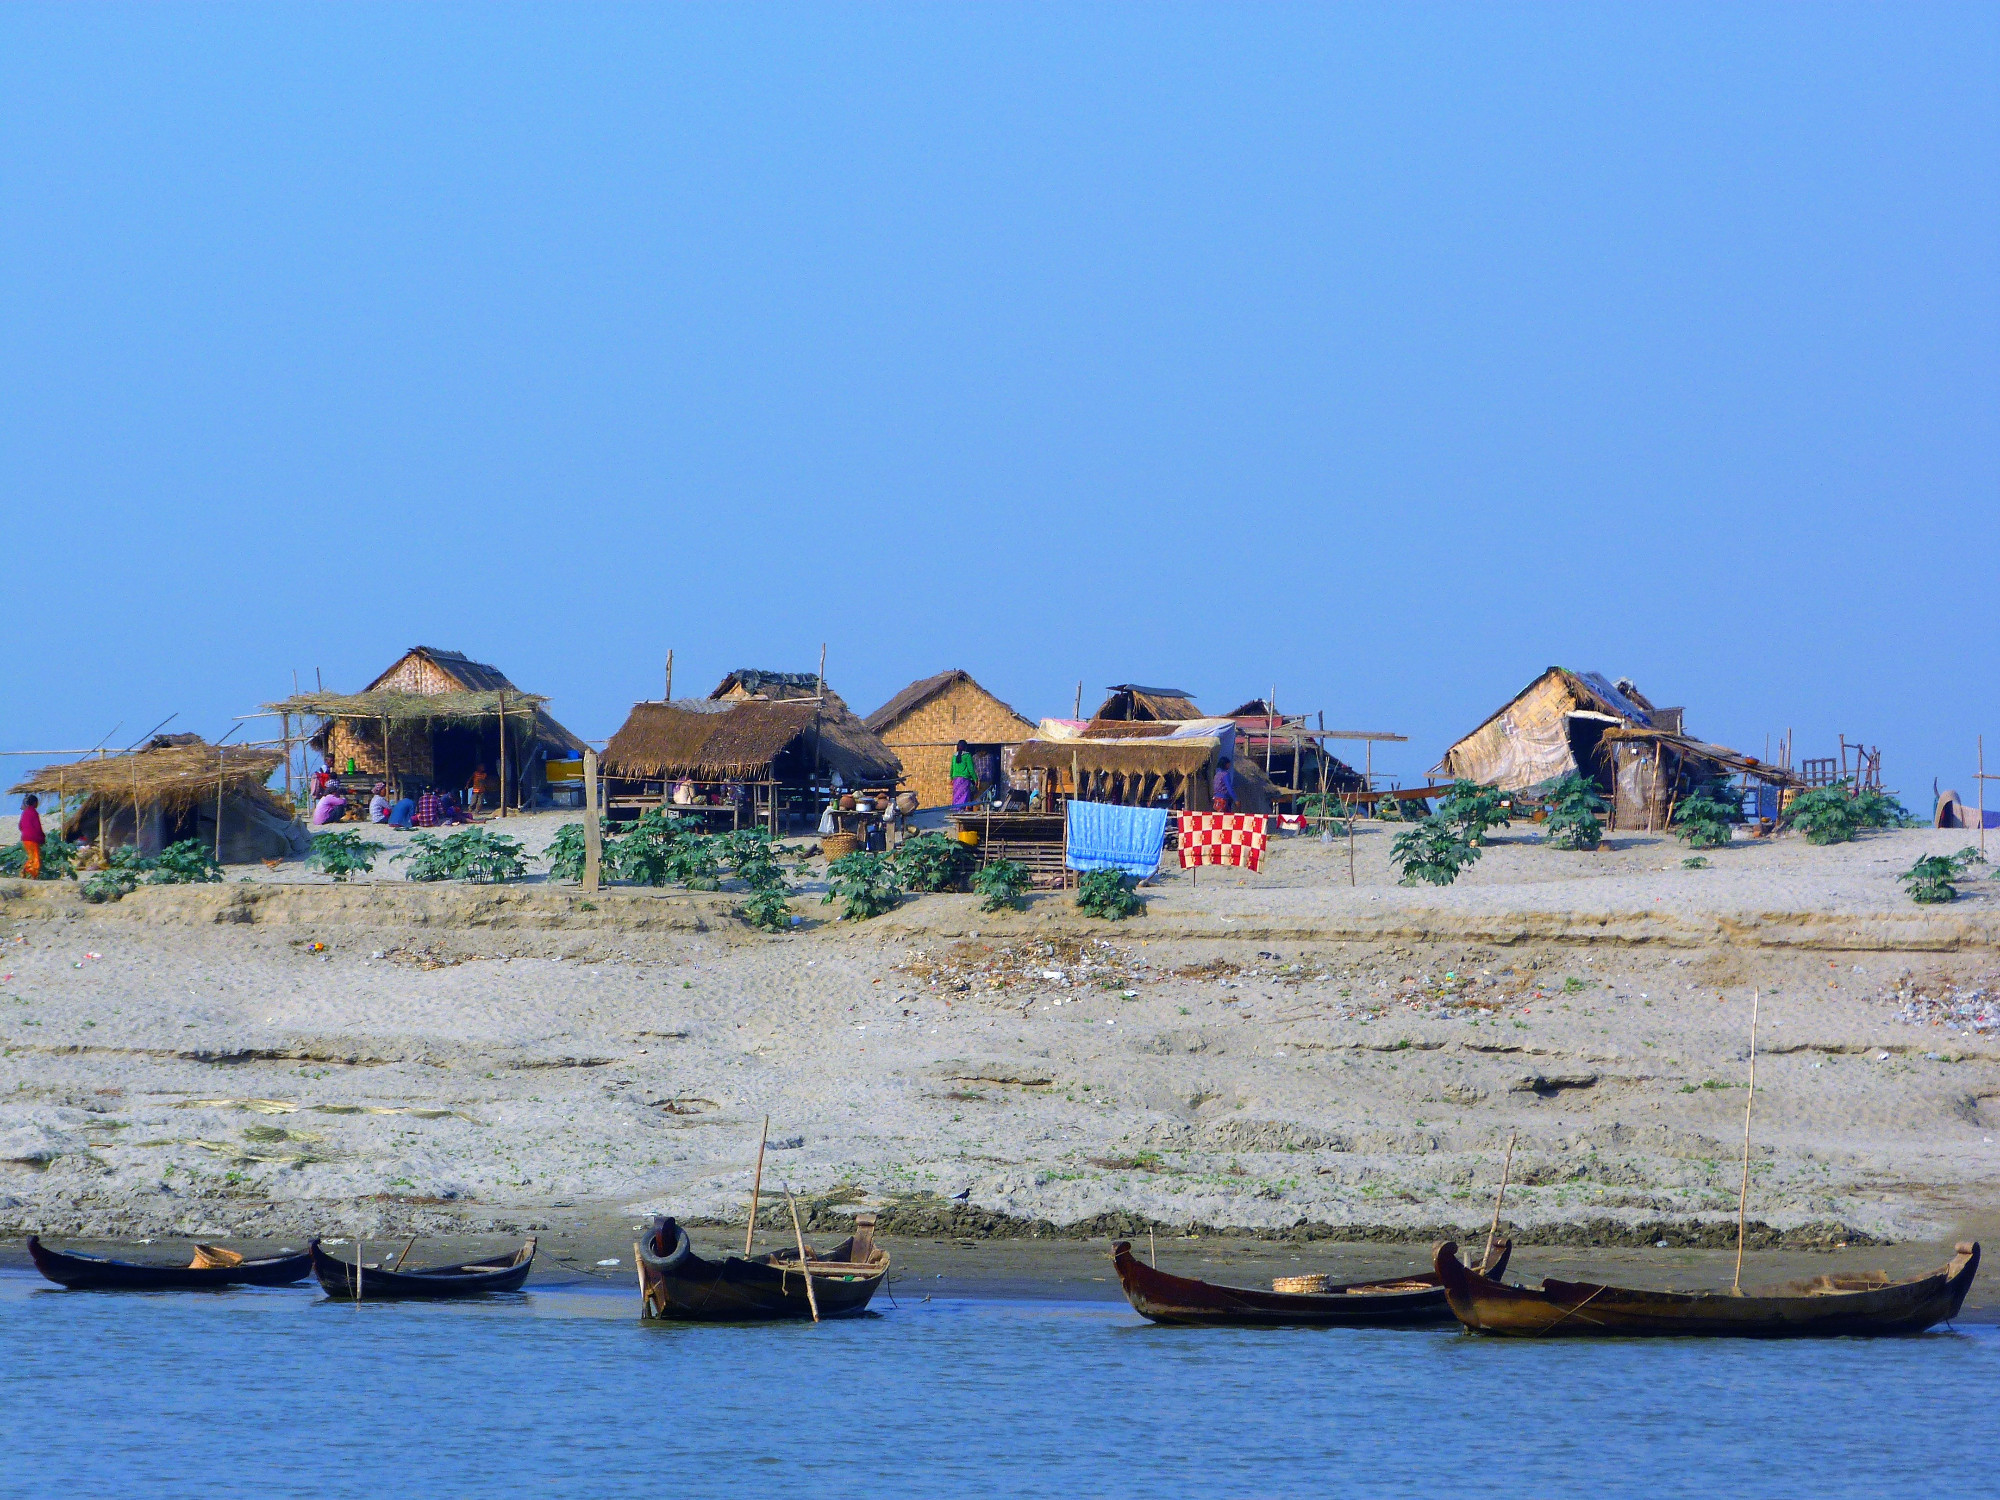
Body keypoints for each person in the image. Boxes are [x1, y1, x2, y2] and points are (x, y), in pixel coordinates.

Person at [16, 794, 44, 880]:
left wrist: (25, 832)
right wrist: (42, 837)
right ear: (35, 803)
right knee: (35, 858)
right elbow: (38, 827)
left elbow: (20, 825)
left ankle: (26, 871)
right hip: (33, 838)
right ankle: (32, 874)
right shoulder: (34, 813)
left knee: (31, 856)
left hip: (25, 838)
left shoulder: (25, 813)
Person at [949, 741, 978, 810]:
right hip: (964, 780)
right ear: (966, 747)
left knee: (957, 796)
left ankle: (956, 809)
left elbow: (952, 768)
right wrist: (975, 778)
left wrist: (951, 778)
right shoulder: (967, 756)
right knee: (964, 796)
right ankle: (961, 809)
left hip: (956, 779)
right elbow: (971, 769)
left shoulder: (954, 756)